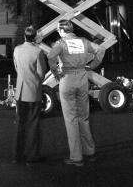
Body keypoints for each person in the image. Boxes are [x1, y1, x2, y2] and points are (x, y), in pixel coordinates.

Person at [47, 19, 105, 166]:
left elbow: (51, 56)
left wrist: (55, 72)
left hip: (67, 79)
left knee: (71, 119)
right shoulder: (84, 41)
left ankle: (76, 157)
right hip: (82, 78)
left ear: (61, 31)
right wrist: (91, 65)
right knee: (84, 117)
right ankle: (90, 152)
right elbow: (101, 50)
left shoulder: (61, 43)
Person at [12, 25, 48, 165]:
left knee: (20, 123)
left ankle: (17, 155)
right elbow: (41, 72)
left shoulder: (17, 49)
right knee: (33, 124)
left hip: (20, 91)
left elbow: (16, 67)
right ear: (35, 38)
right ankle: (32, 156)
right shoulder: (37, 51)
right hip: (33, 91)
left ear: (24, 36)